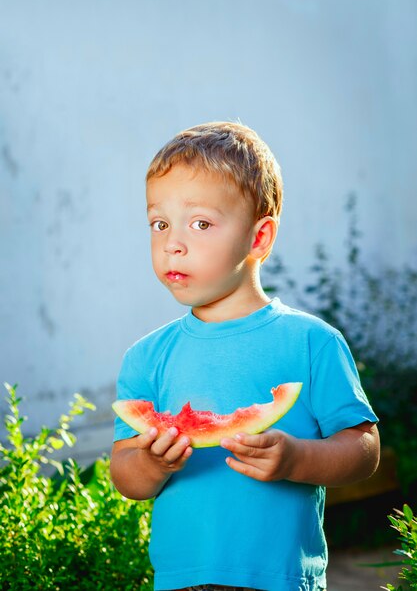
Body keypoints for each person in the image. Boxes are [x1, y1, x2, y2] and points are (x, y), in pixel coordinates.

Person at [110, 121, 379, 591]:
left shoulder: (312, 342)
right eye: (159, 223)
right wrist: (152, 464)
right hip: (181, 581)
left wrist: (297, 460)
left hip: (281, 580)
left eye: (200, 223)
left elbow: (364, 450)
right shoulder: (145, 357)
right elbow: (125, 475)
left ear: (258, 239)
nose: (173, 242)